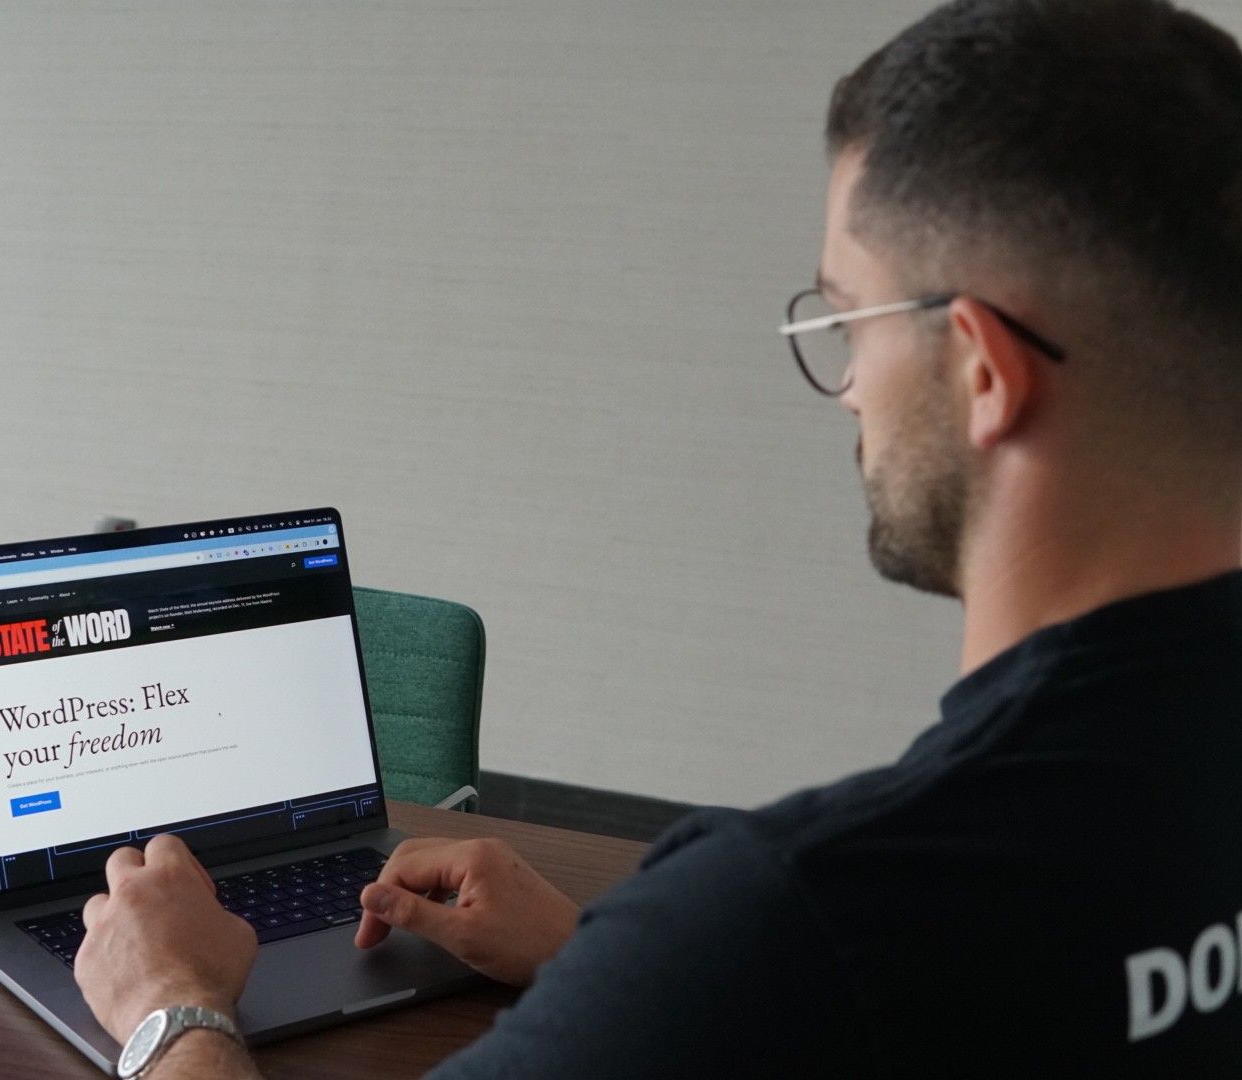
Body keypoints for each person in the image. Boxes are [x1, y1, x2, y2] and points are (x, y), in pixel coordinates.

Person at [74, 0, 1242, 1073]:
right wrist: (617, 971)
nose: (844, 388)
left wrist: (172, 1001)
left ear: (982, 371)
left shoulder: (798, 910)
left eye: (847, 318)